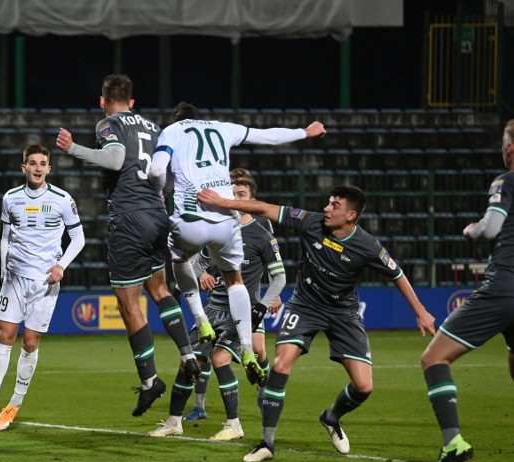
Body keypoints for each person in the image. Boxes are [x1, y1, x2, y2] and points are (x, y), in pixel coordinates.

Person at [198, 184, 436, 462]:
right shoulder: (310, 221)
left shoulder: (368, 245)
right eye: (328, 202)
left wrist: (420, 310)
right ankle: (266, 443)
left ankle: (331, 417)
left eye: (335, 205)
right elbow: (264, 208)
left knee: (364, 386)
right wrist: (225, 202)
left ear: (351, 216)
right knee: (280, 365)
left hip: (343, 313)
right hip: (306, 305)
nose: (326, 208)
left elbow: (397, 274)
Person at [147, 102, 325, 390]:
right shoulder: (222, 128)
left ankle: (200, 318)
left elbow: (156, 169)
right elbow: (267, 136)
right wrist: (304, 132)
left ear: (177, 120)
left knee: (179, 260)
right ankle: (245, 346)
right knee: (235, 280)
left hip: (191, 218)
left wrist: (159, 190)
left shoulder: (172, 131)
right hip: (225, 221)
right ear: (200, 118)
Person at [56, 74, 199, 417]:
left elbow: (116, 158)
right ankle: (188, 354)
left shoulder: (108, 124)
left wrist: (72, 148)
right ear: (133, 101)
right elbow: (168, 173)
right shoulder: (153, 127)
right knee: (160, 288)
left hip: (129, 218)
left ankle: (150, 381)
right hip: (156, 213)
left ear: (102, 101)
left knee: (127, 301)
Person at [148, 176, 286, 439]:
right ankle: (174, 421)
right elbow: (197, 265)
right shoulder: (218, 228)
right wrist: (199, 276)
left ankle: (234, 424)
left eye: (241, 193)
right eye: (232, 192)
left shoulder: (262, 234)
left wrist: (263, 305)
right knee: (187, 362)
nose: (236, 197)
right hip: (212, 311)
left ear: (252, 200)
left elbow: (280, 276)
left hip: (241, 312)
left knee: (221, 359)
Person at [419, 119, 514, 462]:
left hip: (504, 286)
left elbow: (490, 227)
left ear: (510, 148)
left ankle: (453, 442)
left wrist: (472, 229)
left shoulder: (506, 180)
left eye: (504, 143)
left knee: (434, 357)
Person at [0, 145, 85, 431]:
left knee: (30, 341)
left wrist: (62, 266)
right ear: (23, 167)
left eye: (43, 163)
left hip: (44, 282)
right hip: (15, 277)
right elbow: (5, 237)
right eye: (32, 163)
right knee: (5, 334)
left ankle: (14, 404)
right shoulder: (10, 198)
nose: (38, 168)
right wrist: (3, 269)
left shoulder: (62, 199)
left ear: (50, 168)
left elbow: (78, 238)